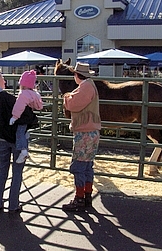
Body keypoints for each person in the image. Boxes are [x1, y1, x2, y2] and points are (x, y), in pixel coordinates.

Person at [0, 69, 38, 214]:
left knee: (2, 170)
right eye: (2, 78)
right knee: (17, 172)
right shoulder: (7, 97)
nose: (4, 81)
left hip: (0, 138)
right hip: (16, 139)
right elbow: (25, 115)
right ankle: (13, 204)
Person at [62, 62, 101, 212]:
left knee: (78, 166)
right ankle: (87, 196)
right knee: (87, 166)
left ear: (77, 75)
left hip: (85, 131)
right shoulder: (90, 85)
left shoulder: (85, 88)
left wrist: (66, 97)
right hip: (92, 130)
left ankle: (79, 199)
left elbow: (73, 104)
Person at [9, 70, 43, 163]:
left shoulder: (23, 94)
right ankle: (24, 150)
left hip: (22, 118)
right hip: (30, 117)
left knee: (19, 133)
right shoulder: (35, 94)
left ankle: (23, 151)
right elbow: (39, 106)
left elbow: (18, 106)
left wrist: (14, 117)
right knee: (23, 133)